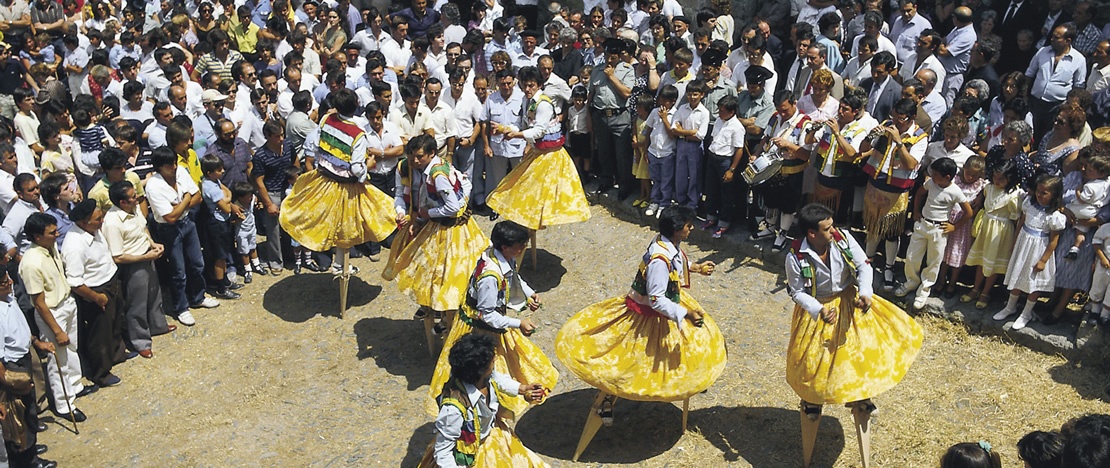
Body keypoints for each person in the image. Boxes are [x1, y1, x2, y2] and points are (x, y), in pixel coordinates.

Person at [555, 206, 725, 459]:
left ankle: (683, 383)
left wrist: (696, 268)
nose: (691, 229)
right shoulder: (659, 260)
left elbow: (678, 260)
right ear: (678, 229)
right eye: (689, 225)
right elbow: (656, 299)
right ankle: (605, 404)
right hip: (649, 317)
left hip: (667, 310)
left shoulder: (667, 244)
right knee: (626, 365)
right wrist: (685, 313)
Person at [785, 203, 923, 467]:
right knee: (814, 367)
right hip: (819, 312)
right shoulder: (795, 256)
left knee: (859, 359)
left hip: (850, 303)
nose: (833, 230)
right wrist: (818, 309)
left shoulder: (843, 239)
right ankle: (812, 403)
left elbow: (863, 266)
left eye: (833, 225)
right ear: (812, 234)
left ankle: (861, 399)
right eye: (827, 228)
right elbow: (796, 291)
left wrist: (866, 292)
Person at [425, 221, 557, 418]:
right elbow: (486, 314)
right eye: (520, 245)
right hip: (478, 329)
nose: (523, 249)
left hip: (489, 323)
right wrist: (518, 323)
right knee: (483, 370)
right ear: (505, 247)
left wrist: (529, 293)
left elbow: (513, 277)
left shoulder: (498, 256)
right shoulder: (490, 277)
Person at [384, 135, 489, 338]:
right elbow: (400, 193)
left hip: (442, 226)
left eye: (419, 157)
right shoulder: (405, 169)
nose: (414, 161)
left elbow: (458, 194)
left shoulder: (438, 172)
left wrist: (455, 208)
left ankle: (449, 320)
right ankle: (431, 308)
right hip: (419, 221)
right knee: (425, 270)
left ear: (431, 154)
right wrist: (404, 213)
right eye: (412, 156)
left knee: (449, 273)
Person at [280, 89, 396, 268]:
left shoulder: (326, 119)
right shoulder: (357, 134)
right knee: (347, 226)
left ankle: (339, 264)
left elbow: (317, 145)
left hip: (323, 180)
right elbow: (357, 168)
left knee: (333, 223)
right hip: (345, 187)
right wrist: (369, 166)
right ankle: (340, 263)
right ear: (356, 106)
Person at [416, 333, 548, 467]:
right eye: (492, 359)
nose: (496, 359)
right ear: (481, 370)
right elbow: (443, 452)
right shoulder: (453, 410)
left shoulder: (481, 376)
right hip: (467, 457)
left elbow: (497, 378)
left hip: (493, 436)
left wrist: (523, 389)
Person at [485, 66, 590, 232]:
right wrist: (505, 128)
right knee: (525, 193)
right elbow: (522, 124)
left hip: (550, 156)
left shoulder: (544, 104)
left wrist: (516, 135)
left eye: (531, 85)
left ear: (539, 85)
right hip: (537, 152)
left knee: (541, 197)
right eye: (525, 85)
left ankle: (532, 228)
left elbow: (538, 130)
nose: (527, 89)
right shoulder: (526, 101)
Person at [20, 212, 87, 422]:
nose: (57, 234)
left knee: (72, 348)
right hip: (52, 311)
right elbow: (39, 303)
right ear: (37, 236)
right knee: (58, 358)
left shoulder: (50, 249)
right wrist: (56, 330)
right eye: (52, 232)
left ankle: (75, 386)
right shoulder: (31, 263)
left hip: (66, 302)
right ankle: (64, 403)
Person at [859, 99, 927, 290]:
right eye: (894, 117)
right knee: (872, 226)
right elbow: (863, 150)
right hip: (875, 184)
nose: (896, 122)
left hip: (896, 191)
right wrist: (869, 137)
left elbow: (911, 164)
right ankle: (867, 261)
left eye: (902, 119)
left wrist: (898, 141)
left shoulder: (919, 137)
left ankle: (889, 267)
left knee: (891, 232)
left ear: (912, 117)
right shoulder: (885, 126)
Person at [147, 147, 219, 327]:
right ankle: (181, 307)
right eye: (169, 164)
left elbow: (198, 197)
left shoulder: (180, 173)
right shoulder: (154, 186)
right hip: (169, 230)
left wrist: (180, 205)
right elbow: (170, 218)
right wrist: (186, 199)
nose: (174, 166)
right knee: (178, 271)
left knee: (197, 263)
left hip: (188, 223)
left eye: (174, 162)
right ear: (159, 167)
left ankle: (198, 296)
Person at [103, 180, 173, 359]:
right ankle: (140, 340)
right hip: (133, 264)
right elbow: (117, 256)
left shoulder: (133, 211)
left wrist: (153, 244)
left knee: (154, 294)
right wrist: (144, 257)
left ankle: (158, 325)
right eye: (133, 197)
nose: (138, 198)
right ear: (122, 202)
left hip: (147, 256)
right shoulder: (112, 222)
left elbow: (143, 229)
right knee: (137, 303)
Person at [993, 175, 1065, 330]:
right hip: (1023, 244)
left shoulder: (1055, 216)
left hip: (1038, 250)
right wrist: (1014, 242)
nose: (1039, 195)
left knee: (1032, 282)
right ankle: (1010, 306)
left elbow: (1053, 240)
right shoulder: (1028, 204)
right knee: (1017, 275)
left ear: (1054, 195)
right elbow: (1020, 223)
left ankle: (1026, 313)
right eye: (1038, 191)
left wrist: (1043, 260)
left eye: (1044, 193)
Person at [0, 269, 55, 468]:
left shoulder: (8, 298)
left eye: (7, 279)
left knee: (30, 410)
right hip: (12, 368)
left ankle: (30, 448)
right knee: (18, 417)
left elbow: (19, 328)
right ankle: (27, 460)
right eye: (3, 282)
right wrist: (10, 383)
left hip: (24, 357)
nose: (8, 283)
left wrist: (36, 342)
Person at [935, 157, 987, 298]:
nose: (970, 177)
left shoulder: (980, 186)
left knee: (957, 255)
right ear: (963, 168)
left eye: (974, 175)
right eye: (968, 173)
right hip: (947, 220)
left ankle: (952, 283)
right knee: (944, 253)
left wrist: (981, 196)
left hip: (963, 225)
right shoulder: (955, 180)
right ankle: (940, 280)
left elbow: (977, 205)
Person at [198, 155, 243, 300]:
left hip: (222, 222)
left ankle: (225, 281)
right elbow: (226, 208)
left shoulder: (213, 180)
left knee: (223, 253)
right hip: (216, 224)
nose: (223, 171)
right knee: (220, 257)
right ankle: (221, 288)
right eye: (219, 170)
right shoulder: (210, 187)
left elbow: (226, 190)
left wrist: (226, 197)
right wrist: (228, 199)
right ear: (209, 172)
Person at [701, 94, 744, 238]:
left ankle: (724, 222)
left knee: (726, 193)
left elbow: (739, 149)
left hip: (725, 160)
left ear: (731, 112)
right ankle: (711, 217)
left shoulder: (737, 127)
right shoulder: (719, 121)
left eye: (722, 111)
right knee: (711, 189)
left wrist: (732, 169)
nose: (719, 113)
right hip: (712, 157)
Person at [640, 85, 679, 217]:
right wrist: (645, 151)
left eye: (666, 100)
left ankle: (664, 203)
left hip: (667, 153)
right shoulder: (654, 112)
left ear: (673, 101)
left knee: (666, 180)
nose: (662, 103)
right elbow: (648, 130)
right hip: (653, 151)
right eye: (661, 99)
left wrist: (664, 119)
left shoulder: (676, 114)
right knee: (656, 178)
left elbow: (673, 134)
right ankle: (655, 201)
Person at [1062, 155, 1110, 259]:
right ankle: (1075, 247)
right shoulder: (1107, 184)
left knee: (1061, 214)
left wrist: (1078, 191)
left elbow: (1083, 199)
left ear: (1101, 173)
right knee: (1081, 231)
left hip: (1080, 209)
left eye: (1090, 170)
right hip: (1092, 211)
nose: (1086, 171)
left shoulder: (1089, 186)